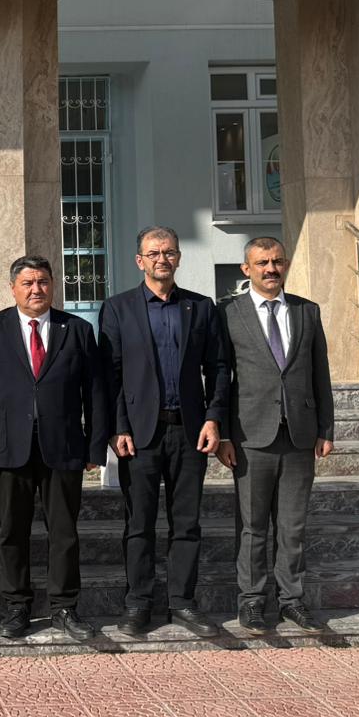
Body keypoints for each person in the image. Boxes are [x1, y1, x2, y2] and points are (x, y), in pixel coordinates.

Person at [99, 226, 230, 637]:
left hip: (190, 431)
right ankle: (138, 602)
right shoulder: (118, 308)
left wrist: (214, 418)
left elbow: (219, 368)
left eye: (169, 252)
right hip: (139, 434)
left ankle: (182, 602)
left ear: (178, 258)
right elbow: (110, 375)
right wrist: (117, 427)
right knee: (139, 523)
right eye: (154, 253)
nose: (162, 259)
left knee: (186, 523)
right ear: (139, 260)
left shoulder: (201, 307)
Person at [0, 255, 110, 643]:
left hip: (63, 446)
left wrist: (95, 446)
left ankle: (64, 606)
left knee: (64, 531)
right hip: (9, 446)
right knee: (12, 531)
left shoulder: (78, 330)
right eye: (28, 283)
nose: (37, 290)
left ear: (53, 285)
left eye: (44, 282)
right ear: (13, 288)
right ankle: (17, 606)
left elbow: (95, 392)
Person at [219, 237, 335, 634]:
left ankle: (292, 601)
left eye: (277, 261)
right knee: (252, 526)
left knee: (292, 526)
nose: (271, 269)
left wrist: (325, 428)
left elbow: (320, 373)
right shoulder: (228, 313)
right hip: (250, 436)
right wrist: (223, 434)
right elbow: (221, 377)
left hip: (299, 434)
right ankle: (252, 601)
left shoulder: (306, 311)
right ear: (246, 269)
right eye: (262, 263)